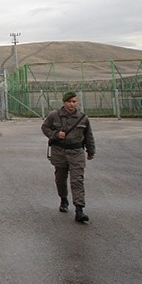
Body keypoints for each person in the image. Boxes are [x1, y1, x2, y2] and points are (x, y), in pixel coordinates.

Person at [41, 90, 96, 223]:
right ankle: (63, 199)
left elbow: (89, 136)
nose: (72, 104)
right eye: (69, 102)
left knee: (77, 180)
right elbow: (45, 128)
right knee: (60, 179)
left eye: (74, 101)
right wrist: (55, 135)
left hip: (76, 152)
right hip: (59, 152)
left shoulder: (83, 118)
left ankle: (79, 209)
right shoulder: (55, 116)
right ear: (64, 102)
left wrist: (91, 151)